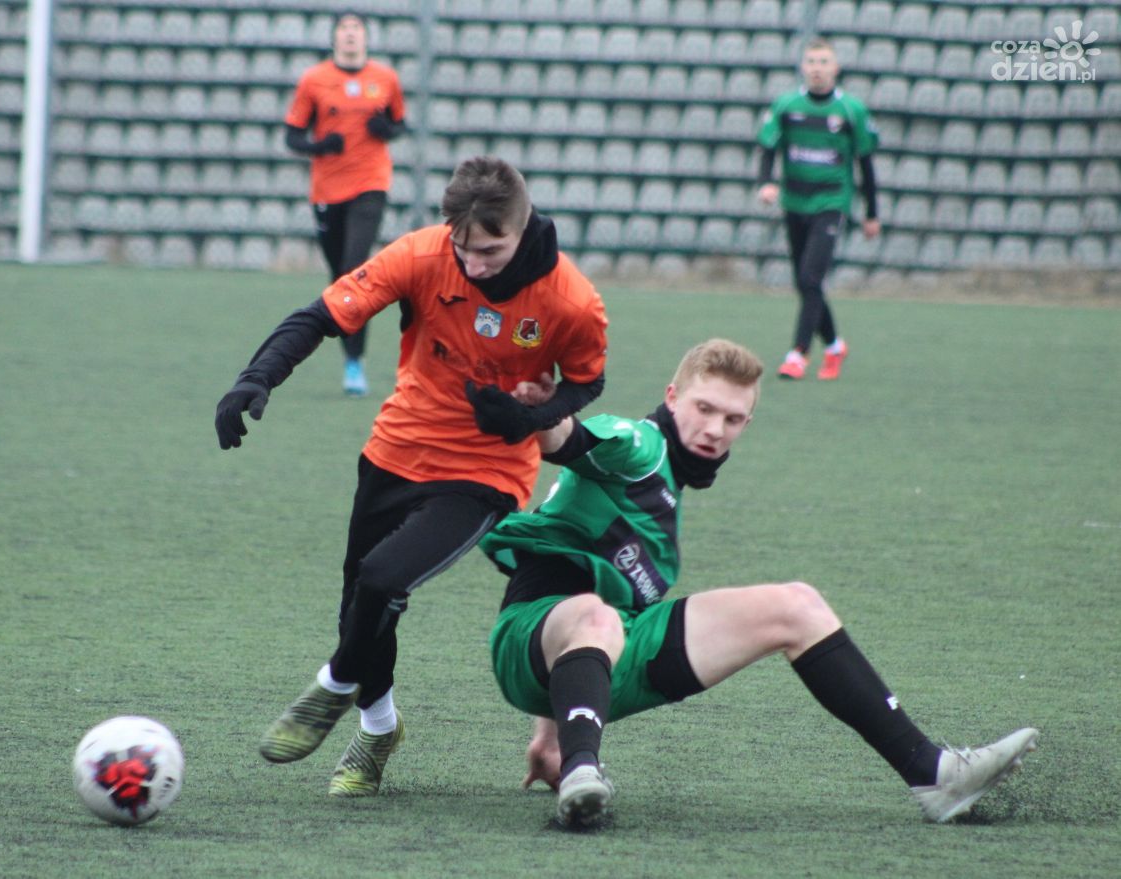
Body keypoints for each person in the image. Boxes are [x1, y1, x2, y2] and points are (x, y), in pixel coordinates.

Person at [481, 339, 1038, 827]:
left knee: (798, 606)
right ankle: (584, 771)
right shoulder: (640, 446)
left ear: (746, 424)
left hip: (613, 646)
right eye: (704, 408)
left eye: (732, 419)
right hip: (524, 641)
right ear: (672, 397)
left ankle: (933, 774)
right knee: (595, 613)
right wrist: (544, 411)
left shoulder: (669, 483)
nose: (714, 429)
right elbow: (568, 440)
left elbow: (591, 614)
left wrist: (548, 738)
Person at [214, 156, 610, 797]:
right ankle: (379, 730)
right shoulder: (422, 255)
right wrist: (255, 378)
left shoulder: (571, 300)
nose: (473, 263)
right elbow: (319, 317)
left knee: (383, 578)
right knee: (360, 605)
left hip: (486, 472)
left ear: (521, 227)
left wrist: (528, 415)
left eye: (490, 251)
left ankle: (335, 682)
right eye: (463, 247)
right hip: (394, 451)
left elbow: (586, 383)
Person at [284, 10, 408, 396]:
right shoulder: (314, 80)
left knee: (356, 268)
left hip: (371, 183)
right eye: (344, 28)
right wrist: (320, 146)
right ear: (335, 37)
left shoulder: (385, 78)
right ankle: (349, 352)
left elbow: (400, 122)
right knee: (339, 275)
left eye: (356, 28)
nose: (350, 34)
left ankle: (356, 363)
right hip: (327, 190)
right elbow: (292, 136)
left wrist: (386, 130)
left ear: (365, 37)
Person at [755, 38, 881, 381]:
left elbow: (866, 164)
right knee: (805, 282)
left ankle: (798, 353)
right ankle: (835, 345)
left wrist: (872, 213)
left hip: (831, 203)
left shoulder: (851, 110)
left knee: (810, 278)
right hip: (794, 202)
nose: (817, 68)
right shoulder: (786, 105)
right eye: (811, 61)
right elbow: (768, 147)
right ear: (802, 67)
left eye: (824, 62)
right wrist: (766, 183)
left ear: (835, 68)